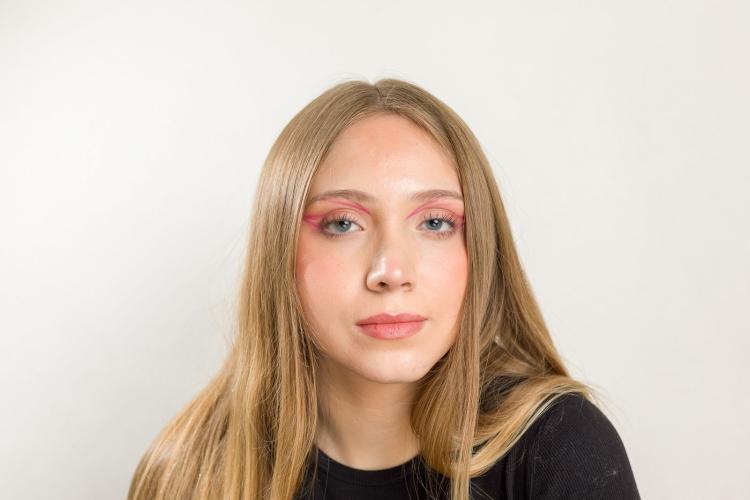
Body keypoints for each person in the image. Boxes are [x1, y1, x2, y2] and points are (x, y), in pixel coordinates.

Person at [128, 78, 640, 499]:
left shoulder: (561, 448)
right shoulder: (190, 472)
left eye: (435, 222)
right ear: (279, 252)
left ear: (482, 251)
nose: (391, 271)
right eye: (343, 223)